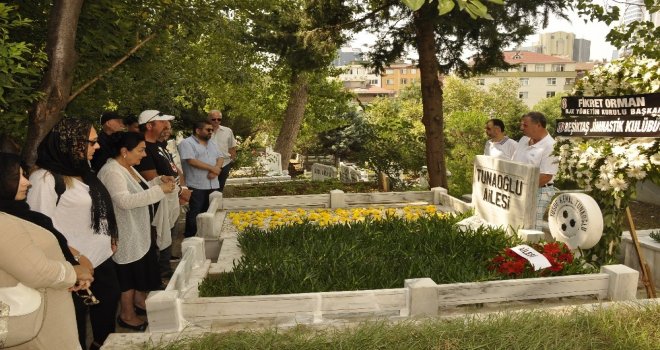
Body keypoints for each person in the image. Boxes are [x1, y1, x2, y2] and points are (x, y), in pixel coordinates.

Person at [27, 118, 120, 350]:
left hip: (100, 258)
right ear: (70, 144)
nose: (97, 147)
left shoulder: (82, 172)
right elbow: (40, 229)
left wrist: (110, 237)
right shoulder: (45, 180)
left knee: (106, 317)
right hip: (73, 265)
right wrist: (76, 258)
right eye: (91, 142)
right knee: (74, 326)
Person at [0, 152, 93, 349]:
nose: (27, 182)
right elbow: (37, 272)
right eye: (17, 177)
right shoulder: (3, 222)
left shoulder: (18, 212)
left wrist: (77, 259)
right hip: (39, 324)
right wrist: (74, 272)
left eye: (25, 175)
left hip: (48, 311)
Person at [97, 132, 176, 332]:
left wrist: (158, 182)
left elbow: (140, 191)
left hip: (138, 229)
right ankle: (126, 314)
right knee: (128, 276)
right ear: (124, 151)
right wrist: (160, 191)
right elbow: (124, 201)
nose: (143, 154)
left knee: (140, 270)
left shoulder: (127, 167)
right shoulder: (112, 171)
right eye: (140, 150)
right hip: (125, 232)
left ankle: (139, 304)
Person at [133, 115, 189, 279]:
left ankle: (165, 266)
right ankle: (160, 273)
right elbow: (151, 177)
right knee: (159, 235)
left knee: (170, 233)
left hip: (172, 198)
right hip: (158, 202)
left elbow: (174, 169)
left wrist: (183, 188)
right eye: (162, 122)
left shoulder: (159, 145)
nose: (167, 125)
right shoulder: (145, 149)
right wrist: (179, 191)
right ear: (149, 126)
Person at [511, 112, 558, 230]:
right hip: (517, 190)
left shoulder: (551, 146)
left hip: (539, 191)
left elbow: (546, 176)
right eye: (521, 125)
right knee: (514, 225)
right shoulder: (523, 140)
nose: (521, 128)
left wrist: (521, 188)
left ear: (538, 125)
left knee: (531, 228)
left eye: (525, 125)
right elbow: (513, 163)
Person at [178, 120, 224, 238]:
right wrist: (212, 168)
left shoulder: (212, 143)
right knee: (195, 213)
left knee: (210, 212)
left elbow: (220, 157)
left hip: (213, 184)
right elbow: (191, 160)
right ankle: (191, 238)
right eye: (208, 130)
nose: (211, 132)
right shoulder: (187, 143)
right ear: (198, 130)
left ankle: (206, 237)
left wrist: (216, 170)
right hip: (196, 185)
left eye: (212, 130)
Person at [208, 110, 237, 192]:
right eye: (214, 119)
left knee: (220, 188)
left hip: (225, 164)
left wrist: (231, 160)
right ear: (209, 119)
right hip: (209, 164)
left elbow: (232, 147)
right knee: (209, 189)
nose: (216, 121)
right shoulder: (204, 131)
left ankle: (218, 204)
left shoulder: (228, 131)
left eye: (219, 119)